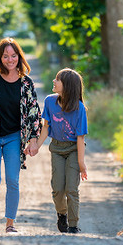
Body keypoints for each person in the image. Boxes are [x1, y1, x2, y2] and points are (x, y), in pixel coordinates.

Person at [0, 37, 42, 235]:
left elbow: (33, 112)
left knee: (13, 180)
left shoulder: (26, 82)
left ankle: (10, 223)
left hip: (15, 137)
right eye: (5, 56)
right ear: (0, 57)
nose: (10, 60)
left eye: (13, 56)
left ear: (19, 57)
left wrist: (33, 140)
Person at [35, 68, 88, 233]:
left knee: (71, 189)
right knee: (58, 189)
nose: (54, 81)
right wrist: (36, 145)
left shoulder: (79, 109)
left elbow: (80, 138)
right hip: (57, 149)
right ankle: (61, 214)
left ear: (68, 86)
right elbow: (46, 127)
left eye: (57, 79)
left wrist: (81, 164)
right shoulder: (50, 101)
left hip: (73, 149)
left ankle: (73, 225)